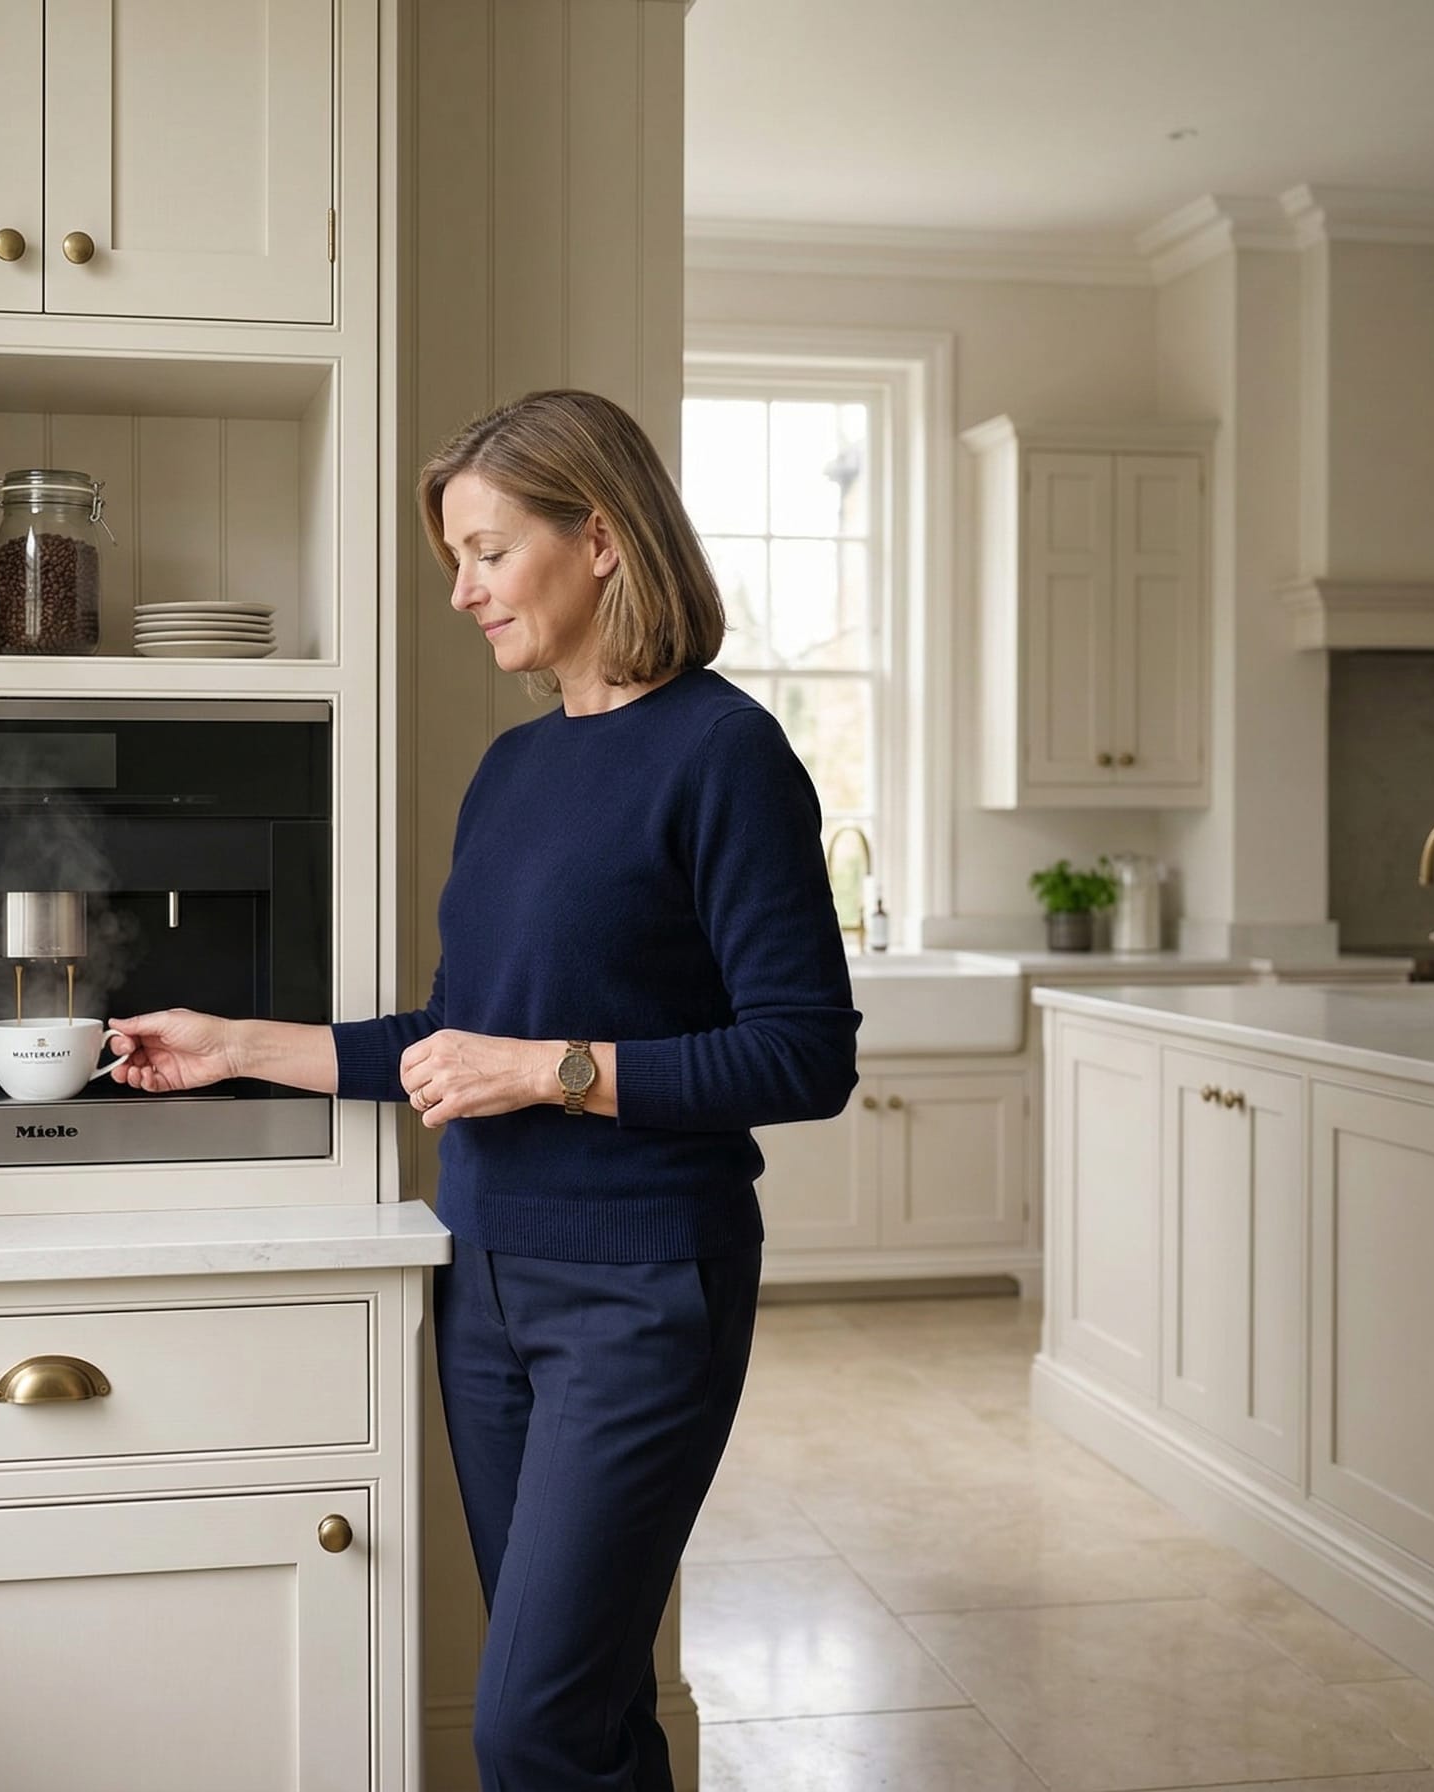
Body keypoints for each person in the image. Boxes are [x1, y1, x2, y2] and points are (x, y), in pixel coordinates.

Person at [104, 387, 859, 1791]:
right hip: (491, 1287)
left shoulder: (724, 753)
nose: (461, 591)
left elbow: (804, 1054)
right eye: (454, 558)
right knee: (587, 1712)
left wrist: (553, 1072)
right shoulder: (513, 769)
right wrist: (236, 1046)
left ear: (605, 540)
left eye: (489, 552)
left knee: (529, 1729)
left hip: (643, 1293)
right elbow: (460, 1035)